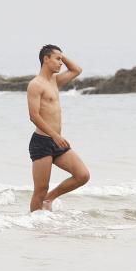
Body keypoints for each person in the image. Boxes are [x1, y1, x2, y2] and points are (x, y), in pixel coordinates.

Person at [27, 45, 90, 211]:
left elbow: (77, 69)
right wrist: (55, 136)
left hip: (57, 141)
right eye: (57, 59)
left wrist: (60, 54)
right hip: (42, 141)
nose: (61, 63)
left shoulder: (54, 81)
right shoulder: (35, 84)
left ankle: (50, 199)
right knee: (40, 190)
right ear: (46, 59)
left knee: (82, 175)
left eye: (62, 60)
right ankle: (34, 224)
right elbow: (34, 116)